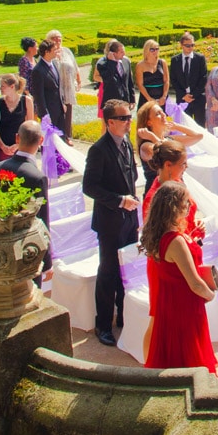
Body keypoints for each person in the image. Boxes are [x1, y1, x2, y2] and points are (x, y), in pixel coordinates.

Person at [141, 180, 217, 371]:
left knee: (173, 351)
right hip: (184, 303)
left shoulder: (160, 234)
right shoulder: (175, 241)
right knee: (189, 352)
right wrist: (210, 295)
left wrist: (192, 236)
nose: (189, 207)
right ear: (173, 208)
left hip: (170, 300)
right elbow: (195, 284)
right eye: (185, 204)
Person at [84, 100, 140, 347]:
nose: (129, 121)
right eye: (124, 118)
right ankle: (103, 325)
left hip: (129, 219)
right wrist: (119, 201)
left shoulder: (127, 142)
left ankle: (123, 315)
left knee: (127, 268)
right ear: (110, 122)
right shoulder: (98, 150)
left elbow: (131, 174)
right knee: (108, 272)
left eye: (130, 117)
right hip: (109, 221)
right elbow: (90, 187)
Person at [136, 102, 202, 197]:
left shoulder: (169, 140)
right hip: (157, 195)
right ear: (149, 122)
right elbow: (166, 152)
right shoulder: (146, 146)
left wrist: (176, 126)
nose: (163, 115)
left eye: (162, 111)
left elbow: (198, 136)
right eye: (158, 114)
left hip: (176, 191)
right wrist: (152, 137)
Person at [170, 32, 209, 126]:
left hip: (198, 98)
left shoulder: (200, 58)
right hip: (182, 99)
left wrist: (192, 95)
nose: (190, 48)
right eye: (187, 45)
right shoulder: (175, 60)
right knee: (184, 126)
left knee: (200, 126)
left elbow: (203, 78)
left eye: (192, 45)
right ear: (181, 45)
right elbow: (173, 79)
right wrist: (184, 95)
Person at [31, 37, 68, 135]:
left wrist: (62, 102)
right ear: (47, 52)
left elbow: (58, 86)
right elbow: (38, 96)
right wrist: (45, 115)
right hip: (49, 112)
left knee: (60, 139)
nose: (57, 51)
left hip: (59, 110)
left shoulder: (54, 64)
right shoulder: (38, 70)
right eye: (54, 50)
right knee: (50, 142)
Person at [0, 74, 35, 161]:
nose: (0, 89)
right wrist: (3, 146)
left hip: (21, 147)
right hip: (2, 148)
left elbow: (30, 127)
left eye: (3, 86)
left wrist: (18, 145)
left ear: (12, 87)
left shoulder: (27, 101)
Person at [48, 30, 80, 128]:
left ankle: (67, 136)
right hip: (57, 88)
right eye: (54, 38)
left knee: (68, 112)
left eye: (59, 37)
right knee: (57, 113)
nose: (58, 40)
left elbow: (75, 66)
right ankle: (58, 135)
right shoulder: (49, 53)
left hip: (68, 86)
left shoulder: (66, 51)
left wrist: (78, 80)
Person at [95, 40, 137, 110]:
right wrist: (112, 63)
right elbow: (108, 78)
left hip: (125, 101)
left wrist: (132, 99)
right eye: (121, 52)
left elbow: (130, 81)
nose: (124, 54)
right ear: (113, 54)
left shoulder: (126, 61)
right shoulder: (103, 64)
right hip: (111, 102)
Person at [136, 39, 168, 113]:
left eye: (157, 49)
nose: (155, 51)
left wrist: (164, 96)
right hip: (146, 96)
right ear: (147, 50)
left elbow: (166, 81)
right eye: (152, 49)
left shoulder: (162, 62)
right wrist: (149, 99)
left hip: (161, 96)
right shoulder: (140, 65)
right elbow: (140, 84)